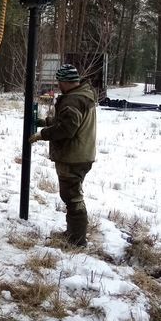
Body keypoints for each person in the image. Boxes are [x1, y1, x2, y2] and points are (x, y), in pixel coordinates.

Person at [29, 64, 97, 246]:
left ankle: (77, 240)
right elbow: (67, 120)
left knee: (72, 196)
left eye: (59, 82)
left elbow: (67, 128)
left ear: (65, 82)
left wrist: (41, 134)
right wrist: (46, 122)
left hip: (73, 157)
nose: (58, 85)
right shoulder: (83, 96)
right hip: (82, 154)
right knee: (72, 195)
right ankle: (73, 234)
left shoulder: (73, 100)